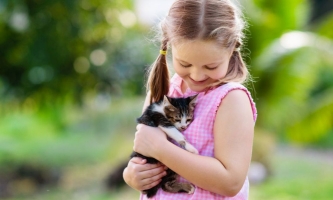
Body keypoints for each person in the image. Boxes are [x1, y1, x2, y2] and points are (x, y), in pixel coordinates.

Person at [123, 0, 257, 199]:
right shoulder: (162, 90)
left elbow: (231, 182)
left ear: (232, 49)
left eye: (211, 67)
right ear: (169, 46)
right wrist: (133, 175)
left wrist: (161, 149)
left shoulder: (231, 100)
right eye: (185, 63)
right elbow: (143, 152)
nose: (197, 75)